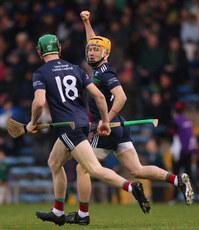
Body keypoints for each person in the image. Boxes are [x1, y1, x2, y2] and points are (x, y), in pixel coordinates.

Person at [65, 11, 194, 226]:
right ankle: (177, 179)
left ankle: (83, 215)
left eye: (97, 50)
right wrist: (87, 22)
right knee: (137, 169)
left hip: (108, 126)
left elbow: (121, 96)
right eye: (91, 50)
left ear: (106, 54)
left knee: (82, 168)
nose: (92, 52)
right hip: (120, 127)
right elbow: (93, 41)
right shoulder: (98, 66)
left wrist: (106, 120)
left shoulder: (104, 72)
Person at [26, 34, 150, 226]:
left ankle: (131, 187)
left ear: (39, 52)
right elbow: (100, 98)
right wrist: (106, 121)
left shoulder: (40, 73)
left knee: (93, 169)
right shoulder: (77, 69)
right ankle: (58, 211)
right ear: (59, 49)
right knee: (54, 162)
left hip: (68, 128)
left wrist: (32, 122)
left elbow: (40, 102)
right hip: (83, 124)